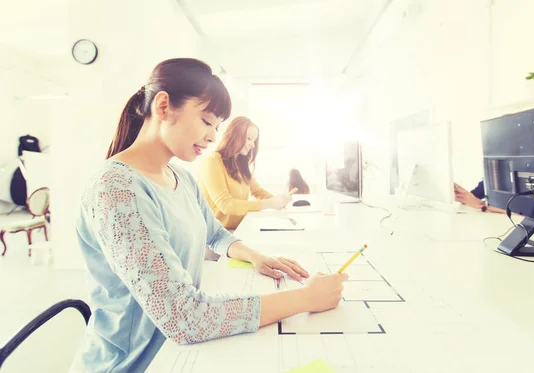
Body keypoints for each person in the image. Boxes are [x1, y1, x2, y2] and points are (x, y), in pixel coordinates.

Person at [72, 58, 347, 373]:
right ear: (163, 106)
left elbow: (215, 234)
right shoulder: (115, 188)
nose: (214, 136)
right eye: (206, 121)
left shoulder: (180, 177)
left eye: (217, 126)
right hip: (132, 364)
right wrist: (306, 300)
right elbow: (184, 318)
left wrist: (257, 257)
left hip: (176, 353)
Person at [198, 116, 293, 230]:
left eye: (254, 141)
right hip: (213, 235)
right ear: (234, 135)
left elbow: (258, 192)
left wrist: (280, 201)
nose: (253, 145)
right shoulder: (212, 162)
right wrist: (271, 203)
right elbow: (226, 205)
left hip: (236, 230)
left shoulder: (242, 167)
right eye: (249, 138)